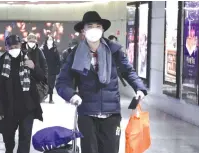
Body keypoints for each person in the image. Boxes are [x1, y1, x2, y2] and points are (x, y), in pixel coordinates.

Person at [55, 11, 148, 153]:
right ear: (83, 30)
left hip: (111, 115)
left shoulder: (114, 50)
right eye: (90, 26)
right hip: (87, 114)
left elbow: (128, 71)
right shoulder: (74, 54)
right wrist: (72, 95)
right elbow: (61, 82)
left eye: (98, 26)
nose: (94, 29)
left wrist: (139, 88)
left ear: (103, 30)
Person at [0, 34, 47, 153]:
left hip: (28, 107)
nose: (14, 49)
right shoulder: (1, 64)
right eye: (11, 47)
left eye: (16, 46)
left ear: (20, 45)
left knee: (25, 139)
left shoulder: (28, 60)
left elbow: (43, 78)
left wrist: (34, 67)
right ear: (6, 48)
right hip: (8, 108)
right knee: (8, 139)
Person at [41, 35, 61, 103]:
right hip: (44, 70)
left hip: (52, 70)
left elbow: (58, 61)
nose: (50, 41)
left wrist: (57, 69)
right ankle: (43, 97)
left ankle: (51, 98)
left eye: (51, 39)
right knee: (43, 84)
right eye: (49, 39)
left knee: (51, 85)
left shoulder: (55, 49)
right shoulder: (43, 49)